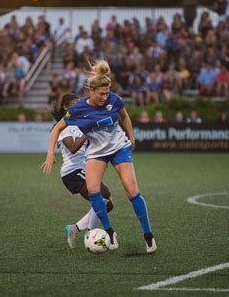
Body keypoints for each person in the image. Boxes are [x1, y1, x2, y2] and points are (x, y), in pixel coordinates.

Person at [41, 60, 157, 254]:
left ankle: (148, 236)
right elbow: (56, 130)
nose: (105, 97)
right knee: (95, 190)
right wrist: (50, 154)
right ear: (91, 92)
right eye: (101, 94)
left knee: (131, 190)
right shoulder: (78, 110)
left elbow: (125, 116)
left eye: (107, 92)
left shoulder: (114, 99)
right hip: (96, 151)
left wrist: (131, 135)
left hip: (119, 147)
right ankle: (110, 234)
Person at [51, 93, 114, 249]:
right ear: (66, 107)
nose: (79, 105)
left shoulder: (81, 122)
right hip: (72, 172)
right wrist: (87, 132)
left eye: (80, 102)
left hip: (85, 168)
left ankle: (75, 228)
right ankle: (91, 234)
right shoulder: (63, 125)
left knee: (107, 204)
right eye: (75, 103)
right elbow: (72, 148)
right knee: (104, 194)